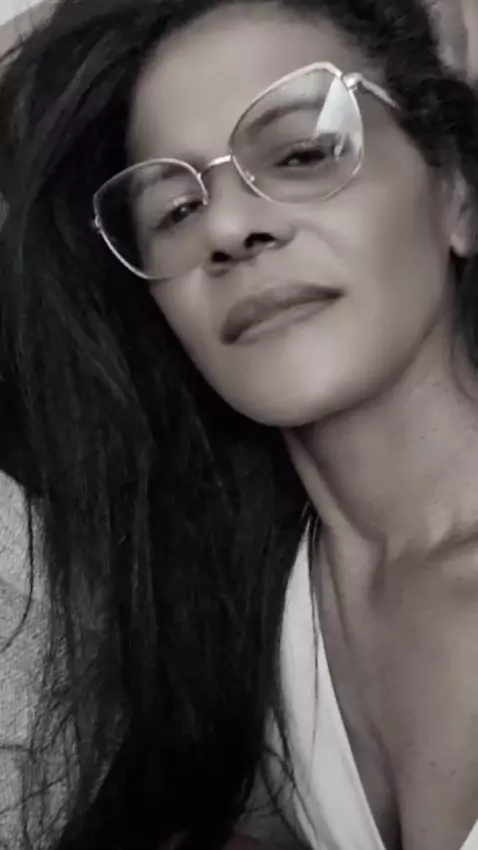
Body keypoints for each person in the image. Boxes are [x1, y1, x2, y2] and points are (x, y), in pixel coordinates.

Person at [1, 0, 478, 848]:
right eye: (174, 211)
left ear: (457, 194)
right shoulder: (240, 644)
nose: (227, 226)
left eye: (301, 153)